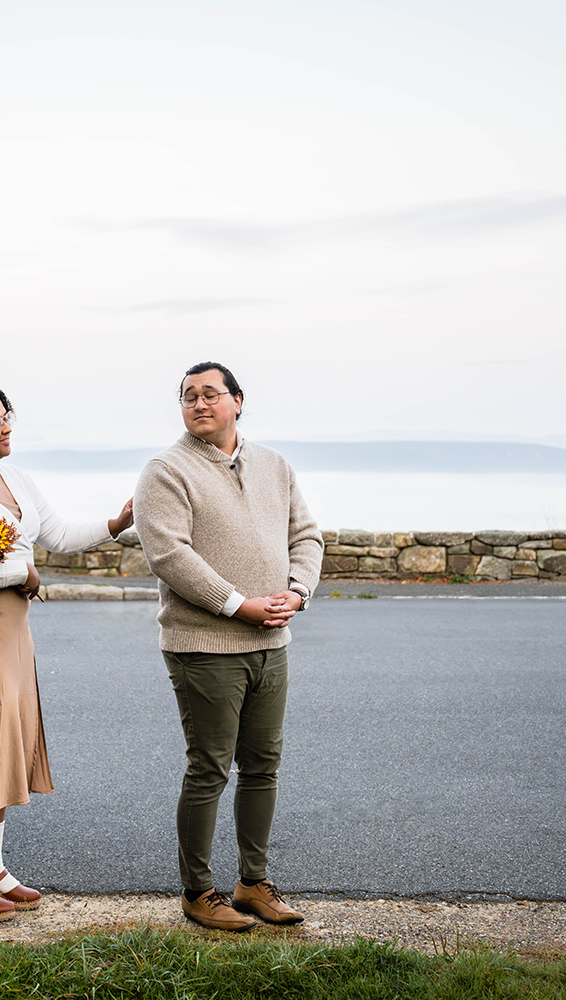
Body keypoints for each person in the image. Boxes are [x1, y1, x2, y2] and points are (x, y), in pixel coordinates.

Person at [0, 380, 134, 922]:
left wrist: (115, 524)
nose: (8, 425)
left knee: (1, 745)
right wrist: (24, 571)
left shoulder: (16, 477)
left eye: (8, 414)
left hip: (10, 633)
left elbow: (55, 532)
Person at [132, 361, 323, 931]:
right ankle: (198, 891)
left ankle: (252, 883)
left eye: (210, 394)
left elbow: (305, 534)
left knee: (263, 764)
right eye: (188, 396)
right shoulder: (165, 471)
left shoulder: (274, 465)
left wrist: (298, 591)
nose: (198, 404)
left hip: (273, 640)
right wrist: (240, 605)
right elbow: (169, 555)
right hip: (203, 645)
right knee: (210, 767)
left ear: (238, 401)